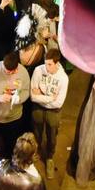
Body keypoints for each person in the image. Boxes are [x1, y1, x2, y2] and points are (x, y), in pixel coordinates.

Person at [29, 47, 68, 179]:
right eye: (45, 63)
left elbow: (59, 103)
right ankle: (37, 151)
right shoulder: (38, 70)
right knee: (37, 131)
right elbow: (33, 96)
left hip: (54, 111)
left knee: (52, 135)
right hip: (38, 108)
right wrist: (50, 98)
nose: (46, 67)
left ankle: (49, 158)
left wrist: (41, 95)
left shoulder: (63, 78)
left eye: (49, 64)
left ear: (57, 64)